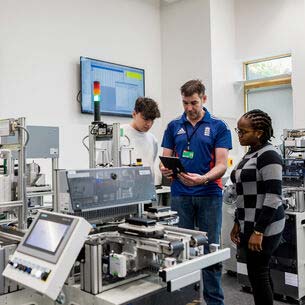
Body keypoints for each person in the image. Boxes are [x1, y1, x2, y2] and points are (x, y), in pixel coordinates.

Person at [160, 79, 232, 305]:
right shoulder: (173, 126)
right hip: (180, 195)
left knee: (210, 250)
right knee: (179, 250)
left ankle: (214, 301)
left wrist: (203, 178)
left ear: (204, 99)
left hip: (209, 194)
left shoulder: (219, 126)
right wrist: (164, 169)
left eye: (194, 102)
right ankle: (186, 298)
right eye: (185, 103)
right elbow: (165, 159)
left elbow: (222, 164)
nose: (189, 108)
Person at [230, 109, 285, 305]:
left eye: (243, 131)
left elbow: (273, 197)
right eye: (238, 131)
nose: (239, 135)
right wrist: (237, 222)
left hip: (264, 226)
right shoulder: (251, 153)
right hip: (248, 223)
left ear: (259, 133)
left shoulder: (269, 155)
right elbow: (243, 193)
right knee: (259, 272)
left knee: (258, 274)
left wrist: (258, 231)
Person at [121, 97, 160, 175]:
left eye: (152, 120)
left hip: (146, 185)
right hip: (122, 186)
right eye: (145, 119)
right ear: (134, 114)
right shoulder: (118, 134)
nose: (149, 124)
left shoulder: (152, 140)